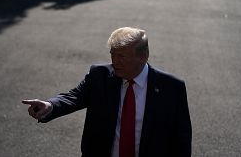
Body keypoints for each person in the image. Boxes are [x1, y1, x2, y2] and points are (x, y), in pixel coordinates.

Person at [22, 27, 192, 157]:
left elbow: (182, 137)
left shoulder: (172, 88)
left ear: (143, 56)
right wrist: (50, 105)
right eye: (112, 54)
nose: (114, 61)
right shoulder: (100, 76)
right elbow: (74, 96)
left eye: (122, 56)